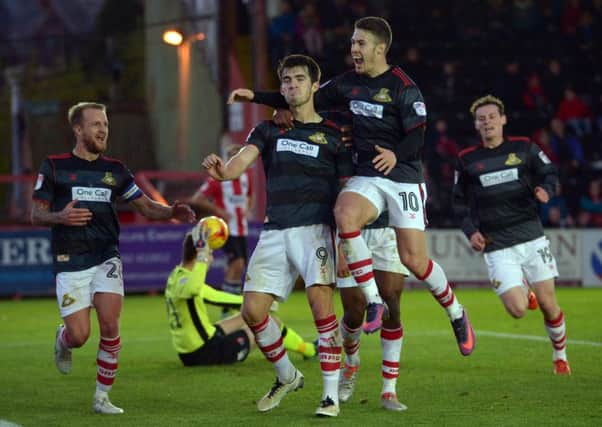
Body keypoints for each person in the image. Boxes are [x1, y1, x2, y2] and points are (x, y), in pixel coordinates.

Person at [228, 16, 475, 354]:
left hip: (403, 178)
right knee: (345, 214)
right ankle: (372, 299)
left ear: (380, 48)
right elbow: (302, 99)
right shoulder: (348, 84)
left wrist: (395, 153)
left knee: (415, 260)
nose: (354, 49)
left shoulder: (404, 86)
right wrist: (257, 97)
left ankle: (456, 312)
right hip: (368, 175)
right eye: (353, 43)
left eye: (360, 44)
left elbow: (418, 134)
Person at [203, 54, 354, 417]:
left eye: (299, 79)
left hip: (315, 231)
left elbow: (346, 190)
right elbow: (242, 161)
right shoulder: (269, 129)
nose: (291, 86)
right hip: (274, 231)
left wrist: (347, 241)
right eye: (286, 81)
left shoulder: (334, 135)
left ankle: (330, 396)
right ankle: (287, 375)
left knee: (321, 308)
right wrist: (224, 172)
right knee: (252, 312)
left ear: (315, 85)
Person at [30, 102, 196, 414]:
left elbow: (145, 206)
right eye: (95, 124)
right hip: (70, 258)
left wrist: (172, 211)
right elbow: (35, 213)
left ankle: (101, 397)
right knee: (80, 335)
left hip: (106, 255)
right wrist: (60, 216)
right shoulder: (54, 166)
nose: (103, 129)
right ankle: (63, 339)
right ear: (78, 130)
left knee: (110, 325)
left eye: (105, 124)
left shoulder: (115, 170)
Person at [452, 94, 571, 375]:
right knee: (518, 310)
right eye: (482, 119)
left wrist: (547, 190)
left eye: (492, 117)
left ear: (503, 119)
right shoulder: (467, 160)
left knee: (549, 305)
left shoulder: (524, 148)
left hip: (531, 236)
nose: (488, 122)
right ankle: (524, 291)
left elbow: (550, 172)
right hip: (497, 244)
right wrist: (471, 232)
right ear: (476, 125)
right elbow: (458, 203)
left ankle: (560, 356)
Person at [164, 227, 316, 366]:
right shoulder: (190, 282)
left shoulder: (177, 276)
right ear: (198, 254)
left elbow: (213, 295)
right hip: (203, 352)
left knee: (251, 314)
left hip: (196, 345)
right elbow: (194, 289)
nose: (211, 258)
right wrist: (202, 257)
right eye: (210, 253)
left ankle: (303, 349)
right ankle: (308, 351)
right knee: (270, 323)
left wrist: (255, 302)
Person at [336, 212, 409, 411]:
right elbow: (335, 198)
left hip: (388, 232)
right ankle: (351, 361)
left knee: (391, 307)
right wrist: (339, 249)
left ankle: (389, 391)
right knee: (354, 314)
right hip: (351, 231)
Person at [188, 143, 253, 317]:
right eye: (232, 155)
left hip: (242, 229)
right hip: (225, 229)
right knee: (237, 263)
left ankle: (230, 307)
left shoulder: (246, 177)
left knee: (238, 268)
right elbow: (197, 199)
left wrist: (246, 209)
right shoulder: (218, 179)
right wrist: (218, 211)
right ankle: (227, 310)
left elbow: (249, 196)